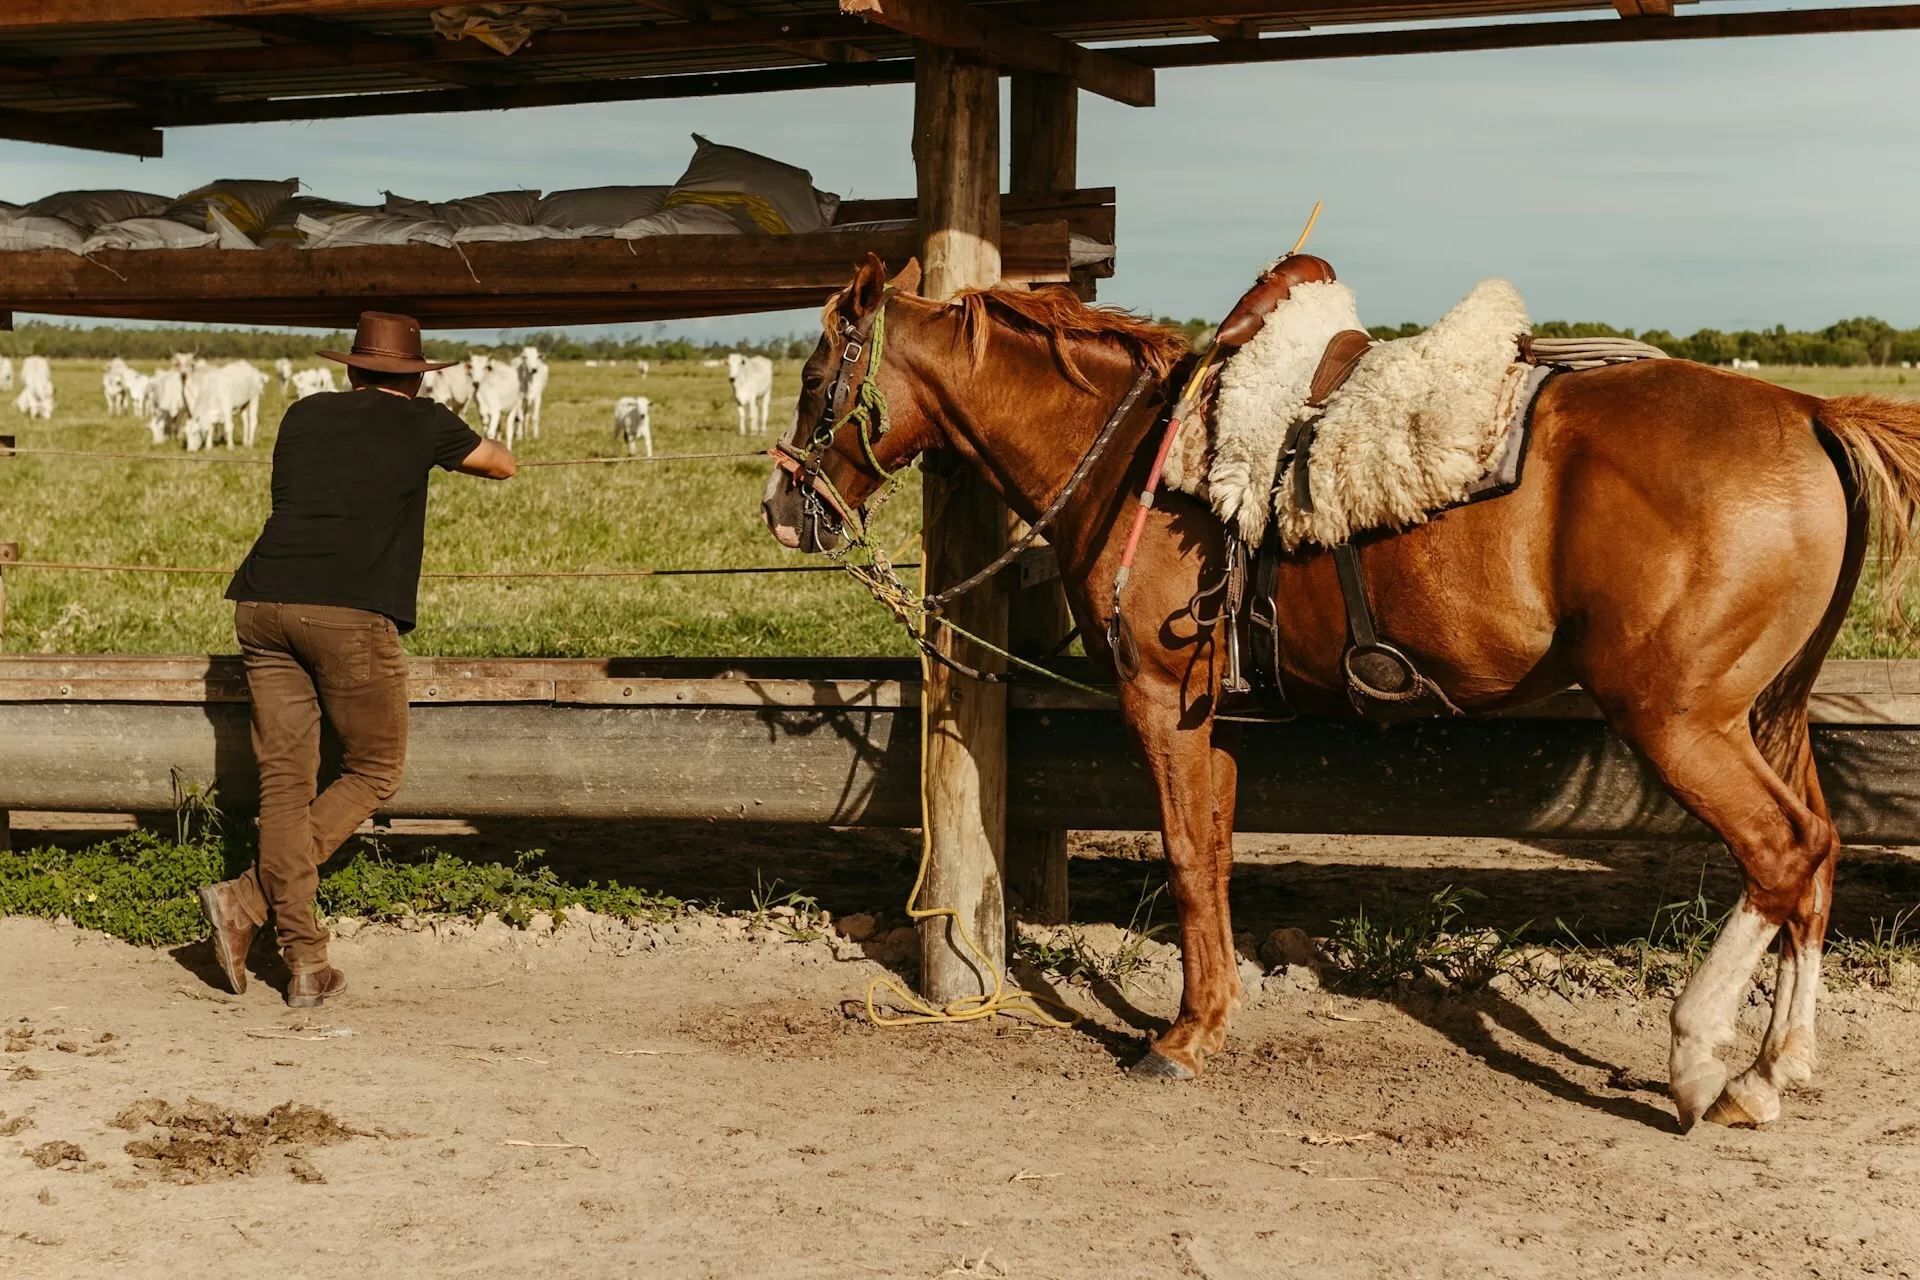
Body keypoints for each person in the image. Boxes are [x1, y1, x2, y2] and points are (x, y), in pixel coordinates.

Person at [197, 312, 516, 1007]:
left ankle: (307, 964)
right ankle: (246, 901)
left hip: (262, 602)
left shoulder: (302, 414)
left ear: (350, 368)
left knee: (285, 784)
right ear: (413, 375)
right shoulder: (426, 421)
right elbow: (502, 463)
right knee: (374, 768)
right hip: (348, 613)